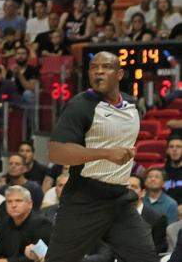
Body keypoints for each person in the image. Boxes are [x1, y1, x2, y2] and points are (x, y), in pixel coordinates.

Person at [45, 51, 156, 262]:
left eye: (106, 67)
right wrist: (106, 153)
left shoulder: (132, 105)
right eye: (94, 68)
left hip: (119, 198)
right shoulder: (80, 105)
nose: (99, 72)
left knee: (145, 257)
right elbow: (56, 152)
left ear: (119, 74)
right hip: (84, 198)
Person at [0, 185, 50, 262]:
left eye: (18, 201)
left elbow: (36, 257)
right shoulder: (6, 222)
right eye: (9, 202)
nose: (13, 205)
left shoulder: (42, 224)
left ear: (30, 204)